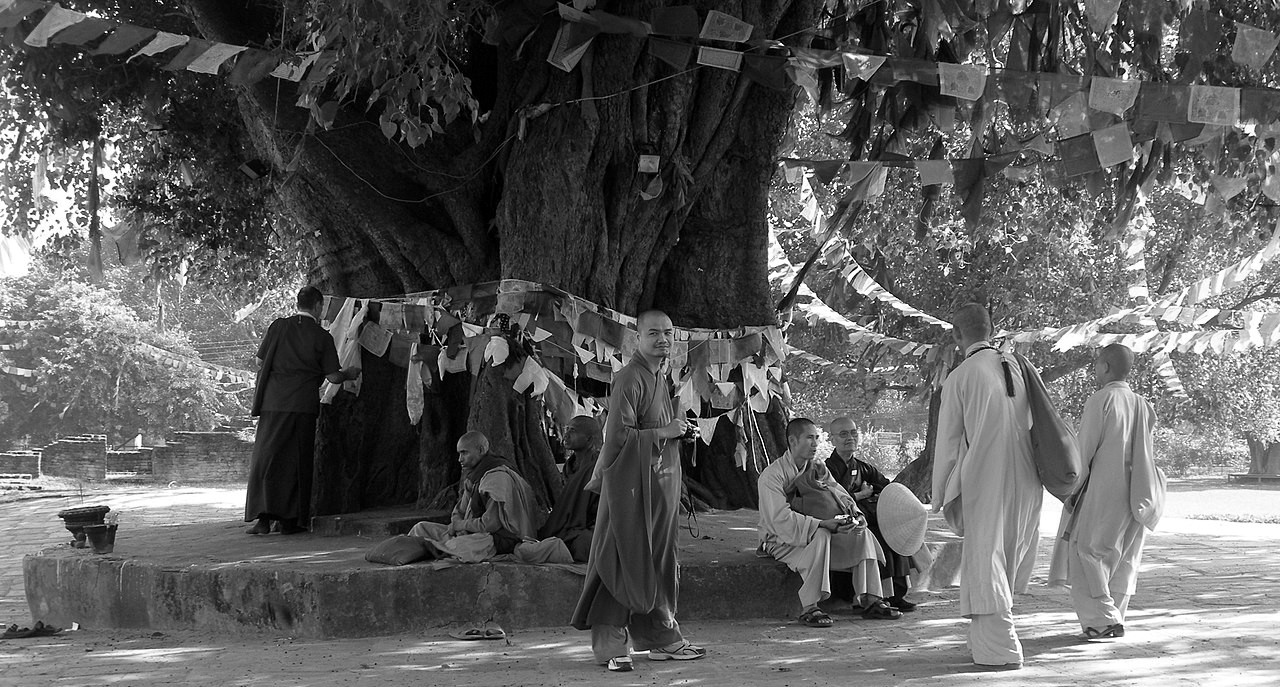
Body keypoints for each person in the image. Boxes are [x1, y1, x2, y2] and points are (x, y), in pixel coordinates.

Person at [570, 310, 705, 673]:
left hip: (659, 488)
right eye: (654, 334)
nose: (663, 340)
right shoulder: (630, 378)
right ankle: (610, 644)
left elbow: (658, 427)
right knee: (622, 558)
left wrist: (678, 430)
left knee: (658, 560)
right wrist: (665, 433)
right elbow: (617, 437)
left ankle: (660, 637)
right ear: (637, 337)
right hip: (631, 487)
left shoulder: (660, 377)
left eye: (668, 333)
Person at [932, 303, 1043, 670]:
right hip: (1028, 476)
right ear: (993, 329)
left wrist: (939, 496)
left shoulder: (961, 376)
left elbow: (948, 445)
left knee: (985, 557)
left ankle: (1001, 648)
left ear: (956, 336)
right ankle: (987, 639)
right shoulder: (1019, 366)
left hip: (985, 477)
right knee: (1008, 552)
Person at [1049, 344, 1159, 640]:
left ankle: (1103, 619)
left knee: (1086, 549)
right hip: (1138, 490)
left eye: (1097, 365)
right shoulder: (1142, 403)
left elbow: (1084, 452)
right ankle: (1115, 614)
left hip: (1104, 487)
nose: (1095, 370)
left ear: (1106, 367)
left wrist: (1072, 489)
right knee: (1123, 554)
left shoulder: (1102, 399)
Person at [759, 418, 899, 628]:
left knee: (862, 532)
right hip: (781, 539)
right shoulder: (772, 476)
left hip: (815, 529)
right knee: (821, 535)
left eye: (817, 438)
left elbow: (839, 493)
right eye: (809, 438)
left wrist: (854, 513)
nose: (815, 444)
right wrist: (821, 524)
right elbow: (780, 520)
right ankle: (809, 607)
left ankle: (871, 599)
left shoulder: (817, 467)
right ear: (792, 440)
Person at [245, 286, 359, 535]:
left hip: (273, 403)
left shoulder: (278, 327)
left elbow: (259, 361)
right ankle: (290, 522)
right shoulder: (321, 336)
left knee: (267, 457)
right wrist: (350, 373)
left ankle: (262, 520)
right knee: (296, 461)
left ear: (298, 303)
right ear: (318, 306)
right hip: (302, 405)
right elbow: (333, 376)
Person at [824, 417, 918, 612]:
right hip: (844, 526)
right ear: (832, 439)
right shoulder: (826, 469)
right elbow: (828, 499)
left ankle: (896, 595)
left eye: (853, 433)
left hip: (868, 519)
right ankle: (876, 596)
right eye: (843, 434)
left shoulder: (864, 467)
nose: (850, 438)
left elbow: (887, 487)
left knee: (894, 534)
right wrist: (861, 494)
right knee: (877, 538)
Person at [408, 431, 540, 555]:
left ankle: (438, 547)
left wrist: (461, 525)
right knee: (420, 528)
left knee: (461, 546)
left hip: (496, 539)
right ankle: (437, 547)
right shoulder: (474, 477)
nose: (460, 459)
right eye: (459, 453)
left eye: (464, 453)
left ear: (481, 450)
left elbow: (490, 524)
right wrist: (459, 526)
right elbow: (459, 511)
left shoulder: (497, 478)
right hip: (470, 533)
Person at [538, 415, 603, 562]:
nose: (565, 434)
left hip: (594, 525)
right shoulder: (570, 466)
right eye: (566, 429)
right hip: (571, 526)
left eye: (573, 430)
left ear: (589, 439)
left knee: (582, 543)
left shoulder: (599, 466)